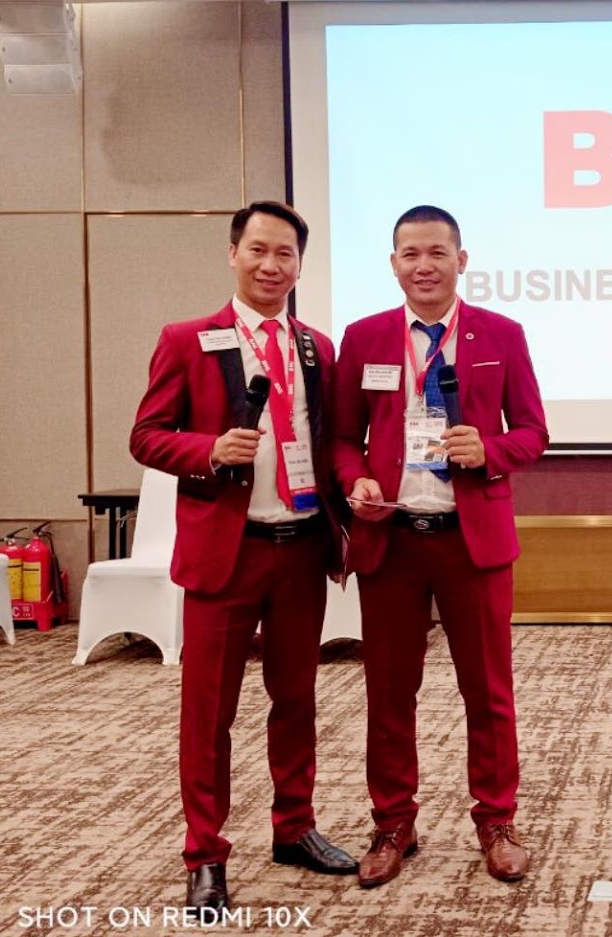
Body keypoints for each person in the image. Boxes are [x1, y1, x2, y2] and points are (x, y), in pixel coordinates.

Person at [130, 201, 358, 912]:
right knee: (209, 713)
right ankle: (205, 853)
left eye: (285, 253)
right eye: (258, 250)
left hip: (300, 549)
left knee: (296, 700)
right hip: (226, 556)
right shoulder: (188, 340)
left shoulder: (317, 348)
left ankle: (294, 826)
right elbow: (146, 436)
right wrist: (208, 449)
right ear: (233, 253)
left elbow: (329, 442)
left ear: (300, 264)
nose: (271, 265)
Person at [333, 205, 549, 886]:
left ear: (461, 259)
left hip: (471, 542)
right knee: (389, 692)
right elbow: (342, 437)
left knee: (488, 691)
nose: (423, 266)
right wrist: (355, 478)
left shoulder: (501, 334)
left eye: (436, 253)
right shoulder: (364, 337)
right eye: (410, 254)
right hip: (392, 541)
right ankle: (393, 822)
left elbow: (534, 432)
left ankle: (497, 820)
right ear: (393, 263)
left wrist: (490, 450)